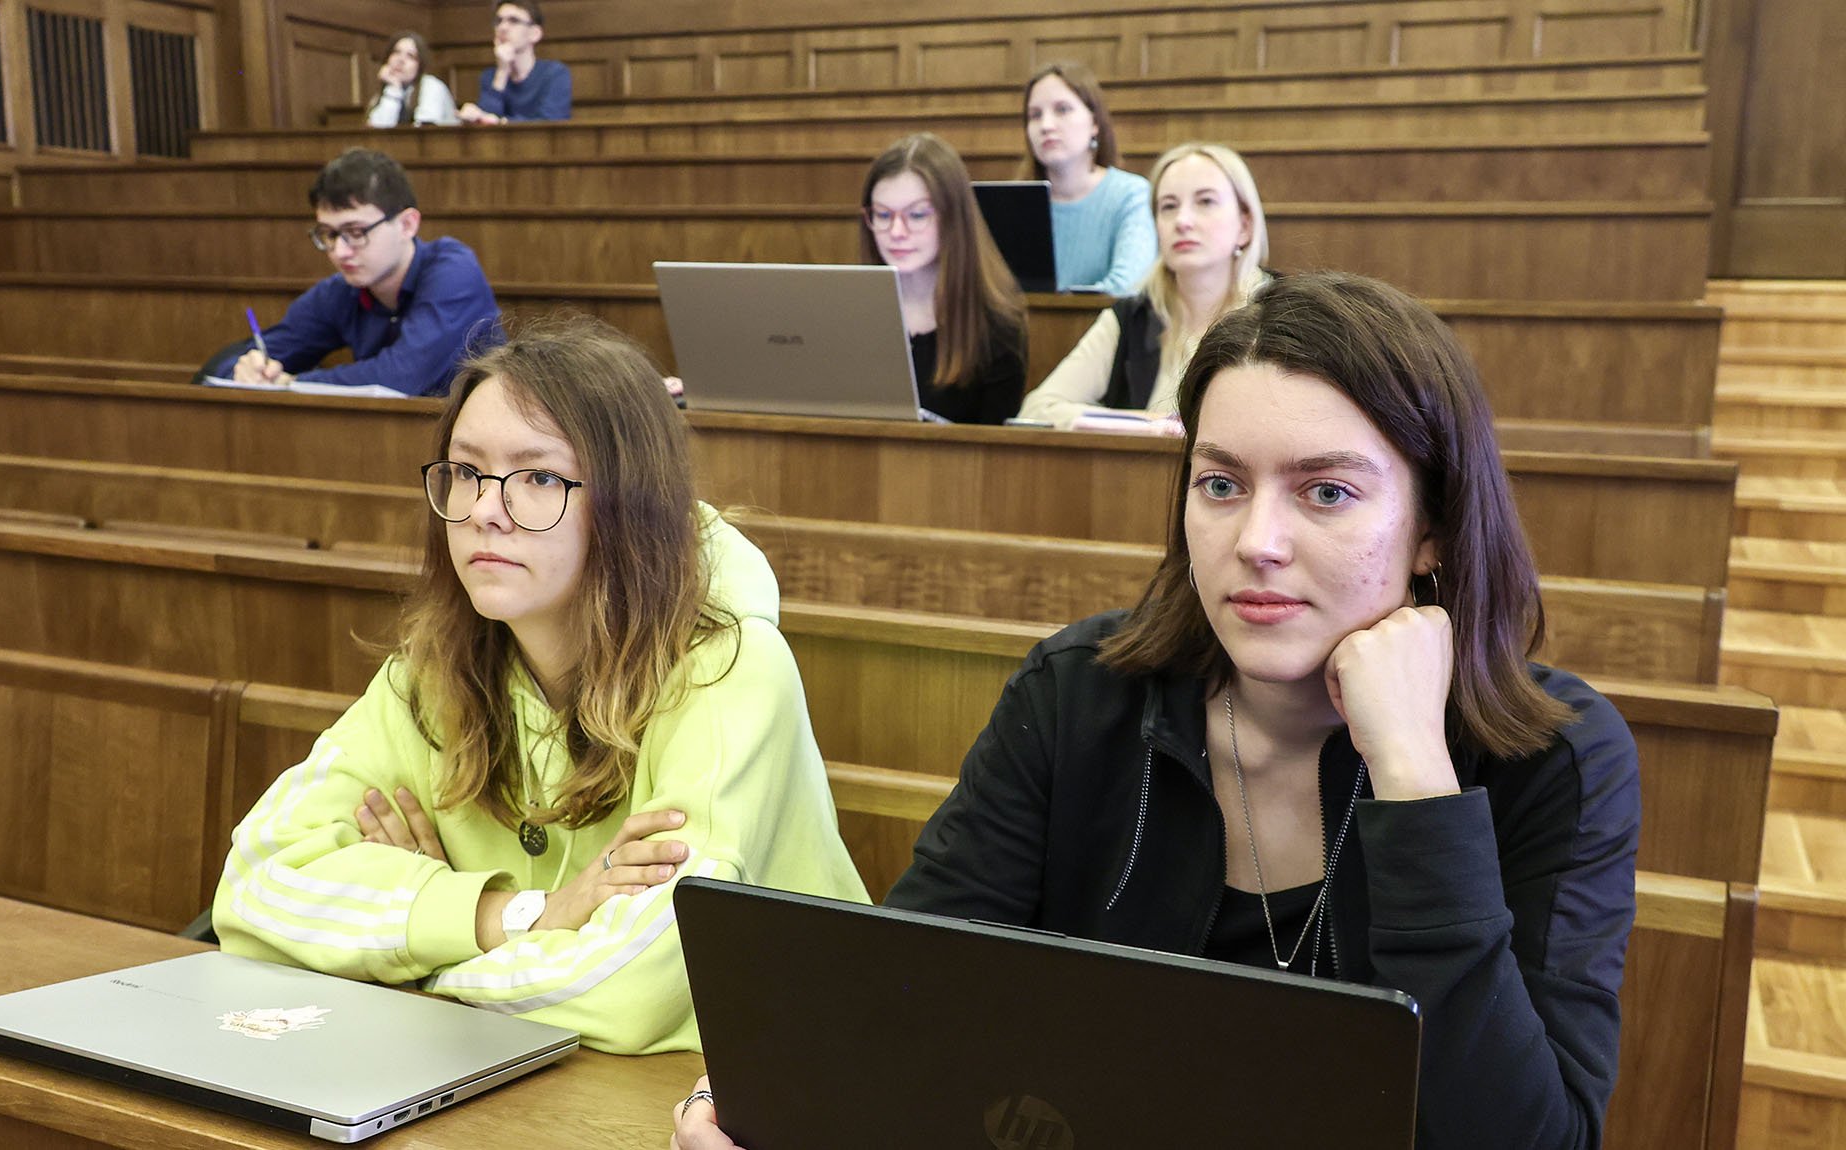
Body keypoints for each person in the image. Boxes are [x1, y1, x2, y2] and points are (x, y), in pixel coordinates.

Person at [672, 272, 1640, 1147]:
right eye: (1221, 484)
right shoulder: (1078, 693)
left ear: (1434, 527)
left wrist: (1419, 780)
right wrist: (760, 1103)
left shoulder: (1555, 760)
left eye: (1326, 491)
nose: (1257, 541)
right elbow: (903, 1000)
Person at [214, 316, 869, 1055]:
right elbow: (252, 886)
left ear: (630, 503)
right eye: (466, 472)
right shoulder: (429, 671)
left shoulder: (732, 669)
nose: (484, 511)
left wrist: (406, 964)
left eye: (539, 479)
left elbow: (633, 985)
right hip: (515, 1076)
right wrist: (516, 915)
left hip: (768, 1083)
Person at [1020, 142, 1269, 432]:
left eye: (1205, 202)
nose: (1182, 221)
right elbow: (1037, 410)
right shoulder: (1133, 316)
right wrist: (1150, 424)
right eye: (1169, 206)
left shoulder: (1282, 313)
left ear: (1244, 226)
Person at [212, 148, 502, 397]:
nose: (340, 252)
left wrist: (291, 383)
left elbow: (402, 376)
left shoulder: (454, 270)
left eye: (356, 232)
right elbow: (240, 361)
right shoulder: (340, 291)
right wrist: (247, 369)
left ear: (407, 225)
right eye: (329, 234)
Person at [861, 133, 1028, 425]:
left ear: (953, 216)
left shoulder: (998, 326)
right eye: (883, 215)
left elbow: (993, 446)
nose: (896, 232)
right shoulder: (850, 311)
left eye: (916, 215)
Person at [1022, 62, 1155, 295]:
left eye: (1062, 110)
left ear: (1094, 123)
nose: (1046, 125)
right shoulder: (1016, 202)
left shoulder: (1130, 194)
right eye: (1035, 115)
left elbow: (1126, 286)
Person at [458, 1, 572, 124]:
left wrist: (501, 122)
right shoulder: (490, 76)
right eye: (499, 21)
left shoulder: (555, 74)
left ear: (535, 34)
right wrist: (502, 72)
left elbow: (550, 123)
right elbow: (486, 121)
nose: (502, 28)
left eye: (513, 21)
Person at [365, 32, 459, 128]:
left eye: (410, 56)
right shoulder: (385, 92)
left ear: (420, 66)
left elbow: (424, 131)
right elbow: (377, 130)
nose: (401, 60)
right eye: (396, 52)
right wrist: (394, 89)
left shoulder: (432, 86)